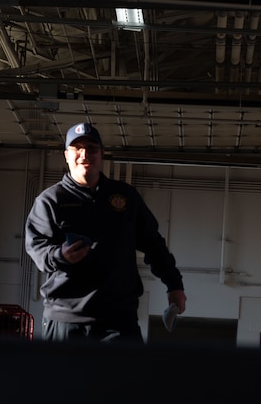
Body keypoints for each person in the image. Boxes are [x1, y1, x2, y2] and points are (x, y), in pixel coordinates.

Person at [25, 122, 187, 342]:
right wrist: (60, 255)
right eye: (77, 148)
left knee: (128, 378)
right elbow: (37, 248)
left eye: (91, 148)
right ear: (66, 155)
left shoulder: (126, 197)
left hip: (119, 323)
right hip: (66, 322)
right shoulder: (50, 201)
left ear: (101, 154)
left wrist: (174, 284)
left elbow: (153, 244)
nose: (84, 154)